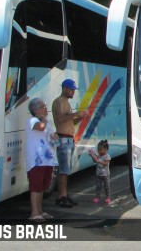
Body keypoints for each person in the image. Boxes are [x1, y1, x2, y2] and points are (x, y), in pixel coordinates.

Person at [52, 78, 89, 208]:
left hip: (68, 138)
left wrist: (79, 118)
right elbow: (61, 119)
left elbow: (69, 123)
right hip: (63, 139)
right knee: (63, 170)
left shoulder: (66, 103)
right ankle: (61, 197)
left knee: (66, 170)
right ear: (65, 88)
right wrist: (75, 114)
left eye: (74, 89)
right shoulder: (59, 102)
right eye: (71, 89)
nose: (73, 92)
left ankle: (64, 195)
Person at [24, 97, 58, 222]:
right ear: (36, 110)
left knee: (42, 186)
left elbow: (51, 134)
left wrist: (55, 137)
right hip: (36, 159)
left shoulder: (46, 121)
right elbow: (41, 127)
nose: (46, 108)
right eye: (43, 106)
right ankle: (34, 212)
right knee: (35, 186)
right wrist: (43, 118)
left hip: (47, 159)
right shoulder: (31, 120)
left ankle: (40, 210)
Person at [88, 140, 112, 204]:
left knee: (106, 186)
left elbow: (105, 164)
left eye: (100, 150)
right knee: (98, 186)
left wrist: (98, 161)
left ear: (105, 149)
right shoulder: (99, 155)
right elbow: (95, 161)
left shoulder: (107, 156)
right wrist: (92, 155)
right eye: (98, 149)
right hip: (98, 174)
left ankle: (108, 197)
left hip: (105, 174)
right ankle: (97, 197)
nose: (99, 151)